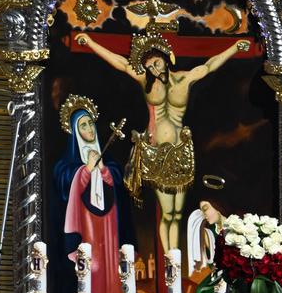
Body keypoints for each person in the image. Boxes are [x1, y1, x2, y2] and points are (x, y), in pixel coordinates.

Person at [76, 27, 249, 252]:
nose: (154, 70)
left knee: (177, 214)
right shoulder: (146, 83)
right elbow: (120, 63)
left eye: (157, 63)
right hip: (157, 154)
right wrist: (90, 42)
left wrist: (234, 47)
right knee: (166, 213)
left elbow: (209, 65)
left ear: (167, 59)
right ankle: (170, 259)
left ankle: (174, 256)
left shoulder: (185, 78)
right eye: (149, 67)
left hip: (181, 152)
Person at [52, 94, 129, 293]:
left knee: (108, 268)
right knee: (92, 269)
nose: (89, 129)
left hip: (107, 225)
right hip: (85, 225)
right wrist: (86, 170)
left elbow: (116, 183)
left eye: (90, 124)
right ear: (76, 132)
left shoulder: (109, 160)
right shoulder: (68, 163)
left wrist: (104, 170)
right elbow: (64, 183)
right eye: (83, 126)